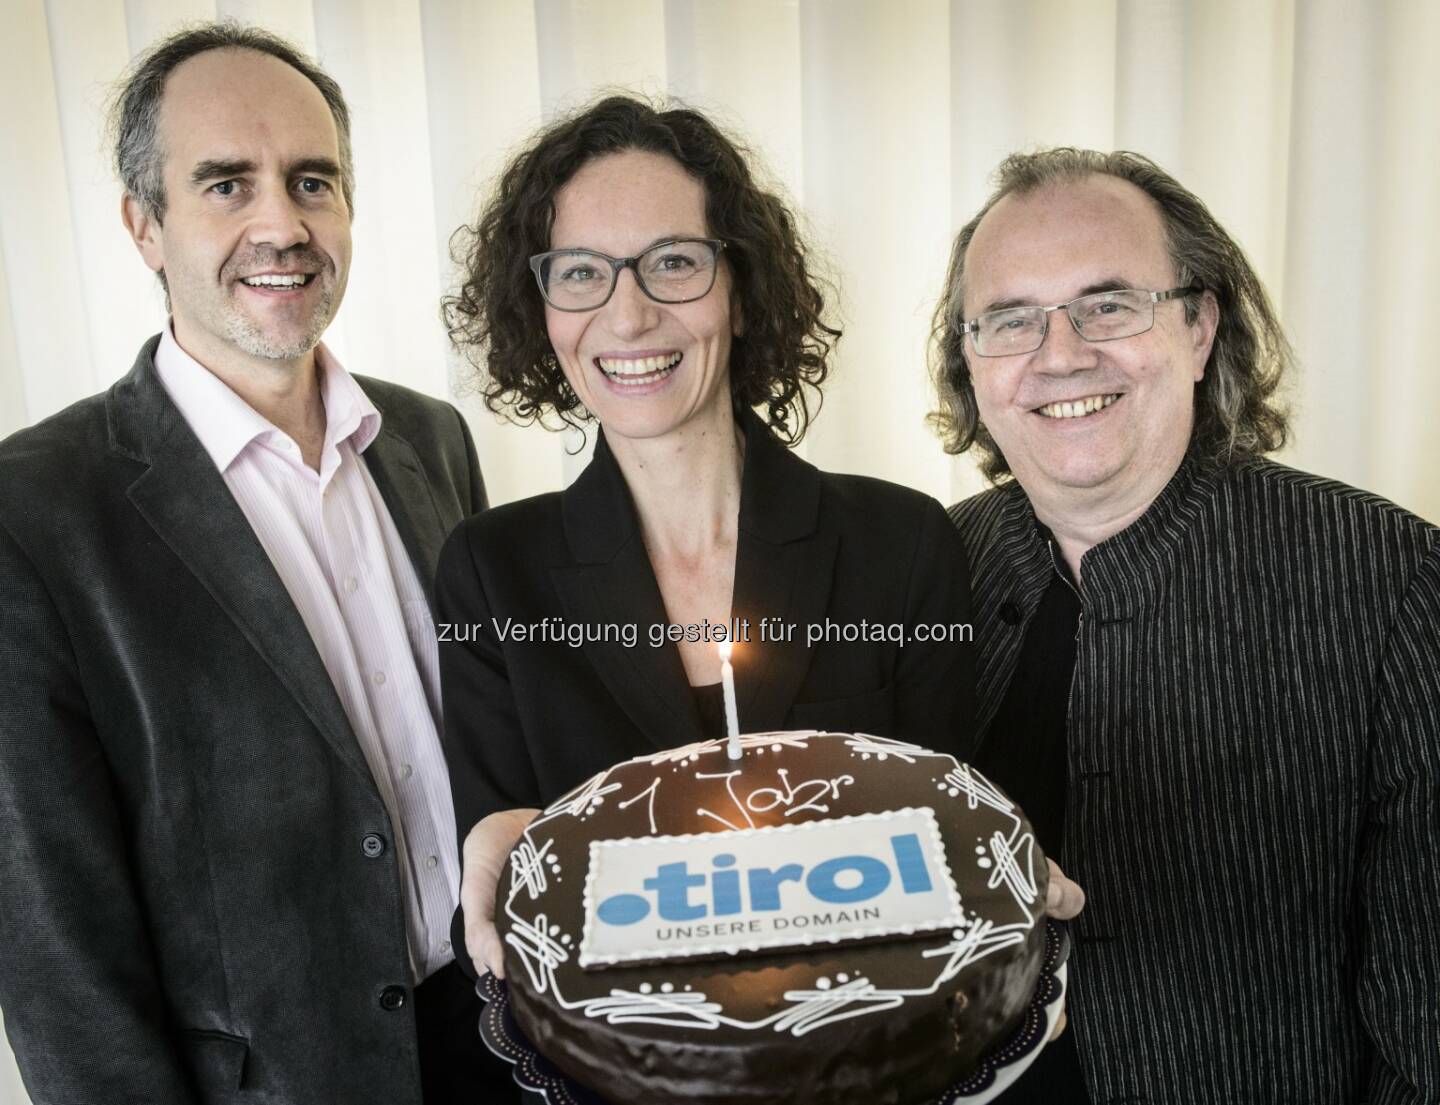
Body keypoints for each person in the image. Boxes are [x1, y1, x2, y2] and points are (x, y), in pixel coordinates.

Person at [0, 23, 507, 1105]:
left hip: (507, 1041)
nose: (282, 223)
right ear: (145, 226)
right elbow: (58, 949)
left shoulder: (431, 440)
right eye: (226, 184)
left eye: (311, 181)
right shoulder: (35, 511)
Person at [433, 95, 1005, 983]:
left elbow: (947, 856)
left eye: (673, 262)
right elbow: (523, 877)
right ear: (540, 310)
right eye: (581, 272)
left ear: (741, 294)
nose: (628, 318)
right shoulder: (490, 573)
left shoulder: (901, 543)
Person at [932, 147, 1440, 1102]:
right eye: (1009, 320)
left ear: (1202, 327)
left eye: (1109, 304)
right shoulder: (920, 570)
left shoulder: (1396, 580)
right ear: (971, 358)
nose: (1060, 354)